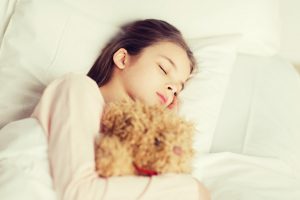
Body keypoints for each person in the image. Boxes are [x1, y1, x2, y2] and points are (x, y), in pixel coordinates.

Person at [31, 19, 210, 200]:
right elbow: (79, 193)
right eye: (164, 69)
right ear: (123, 58)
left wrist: (161, 131)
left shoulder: (132, 143)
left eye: (178, 89)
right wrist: (189, 189)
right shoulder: (78, 88)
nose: (172, 89)